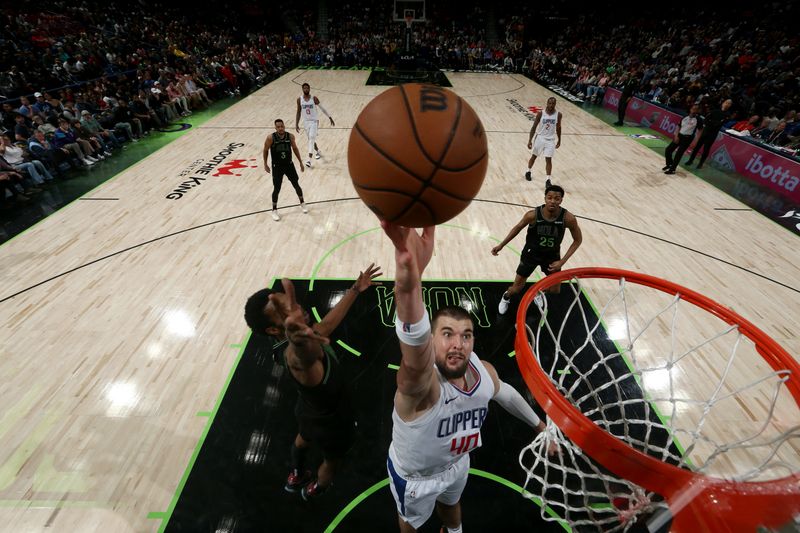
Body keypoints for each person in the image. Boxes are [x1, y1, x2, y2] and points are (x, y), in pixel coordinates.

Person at [381, 221, 558, 533]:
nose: (457, 344)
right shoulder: (421, 386)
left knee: (452, 508)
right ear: (432, 341)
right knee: (410, 526)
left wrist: (540, 426)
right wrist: (411, 280)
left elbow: (504, 393)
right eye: (446, 334)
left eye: (466, 336)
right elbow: (413, 345)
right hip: (415, 479)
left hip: (456, 464)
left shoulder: (481, 371)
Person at [243, 263, 382, 500]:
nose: (295, 308)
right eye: (283, 311)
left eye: (288, 301)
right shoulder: (298, 355)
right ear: (272, 329)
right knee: (332, 461)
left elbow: (325, 326)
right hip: (333, 421)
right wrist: (301, 343)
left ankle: (296, 473)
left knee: (303, 437)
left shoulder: (283, 341)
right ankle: (316, 489)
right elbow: (303, 358)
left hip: (307, 410)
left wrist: (355, 290)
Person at [493, 184, 582, 315]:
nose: (552, 201)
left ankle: (538, 293)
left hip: (552, 256)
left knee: (555, 289)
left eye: (556, 198)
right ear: (545, 198)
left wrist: (562, 261)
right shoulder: (533, 215)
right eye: (549, 197)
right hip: (531, 254)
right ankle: (506, 296)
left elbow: (577, 240)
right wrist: (501, 245)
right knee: (516, 289)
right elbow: (517, 229)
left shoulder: (568, 218)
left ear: (561, 200)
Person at [263, 118, 307, 221]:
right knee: (277, 189)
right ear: (275, 128)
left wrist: (300, 162)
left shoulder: (290, 136)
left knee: (296, 184)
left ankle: (302, 203)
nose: (280, 128)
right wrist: (265, 164)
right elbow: (265, 150)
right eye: (278, 127)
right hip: (277, 167)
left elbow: (295, 149)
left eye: (282, 126)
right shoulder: (270, 138)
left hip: (289, 165)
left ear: (284, 126)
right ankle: (274, 210)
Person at [524, 97, 562, 188]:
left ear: (555, 104)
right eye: (550, 103)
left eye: (553, 103)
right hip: (540, 138)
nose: (551, 105)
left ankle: (548, 180)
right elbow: (534, 127)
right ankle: (528, 171)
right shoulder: (541, 114)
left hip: (550, 140)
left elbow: (559, 128)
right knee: (534, 156)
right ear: (547, 103)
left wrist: (559, 140)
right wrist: (530, 140)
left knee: (548, 160)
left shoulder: (558, 115)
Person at [295, 82, 334, 168]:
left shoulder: (314, 98)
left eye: (307, 88)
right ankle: (317, 151)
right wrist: (296, 123)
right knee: (310, 140)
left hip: (314, 121)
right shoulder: (299, 99)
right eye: (304, 88)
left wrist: (329, 117)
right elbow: (298, 112)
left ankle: (309, 160)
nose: (306, 89)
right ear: (302, 89)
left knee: (311, 138)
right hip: (306, 122)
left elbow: (322, 108)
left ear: (309, 89)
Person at [686, 99, 732, 169]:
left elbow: (719, 123)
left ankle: (700, 163)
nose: (727, 104)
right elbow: (706, 120)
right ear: (723, 103)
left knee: (706, 149)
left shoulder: (728, 115)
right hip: (705, 131)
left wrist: (712, 122)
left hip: (712, 134)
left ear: (730, 106)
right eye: (726, 102)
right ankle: (690, 160)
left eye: (729, 103)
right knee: (697, 147)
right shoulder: (715, 110)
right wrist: (713, 122)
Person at [663, 103, 704, 175]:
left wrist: (696, 141)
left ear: (698, 111)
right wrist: (676, 136)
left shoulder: (698, 119)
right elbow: (678, 126)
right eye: (693, 108)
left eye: (696, 109)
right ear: (691, 109)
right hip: (679, 136)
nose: (694, 110)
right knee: (668, 150)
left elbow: (700, 130)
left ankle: (672, 169)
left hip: (687, 139)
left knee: (679, 153)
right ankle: (669, 164)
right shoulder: (685, 116)